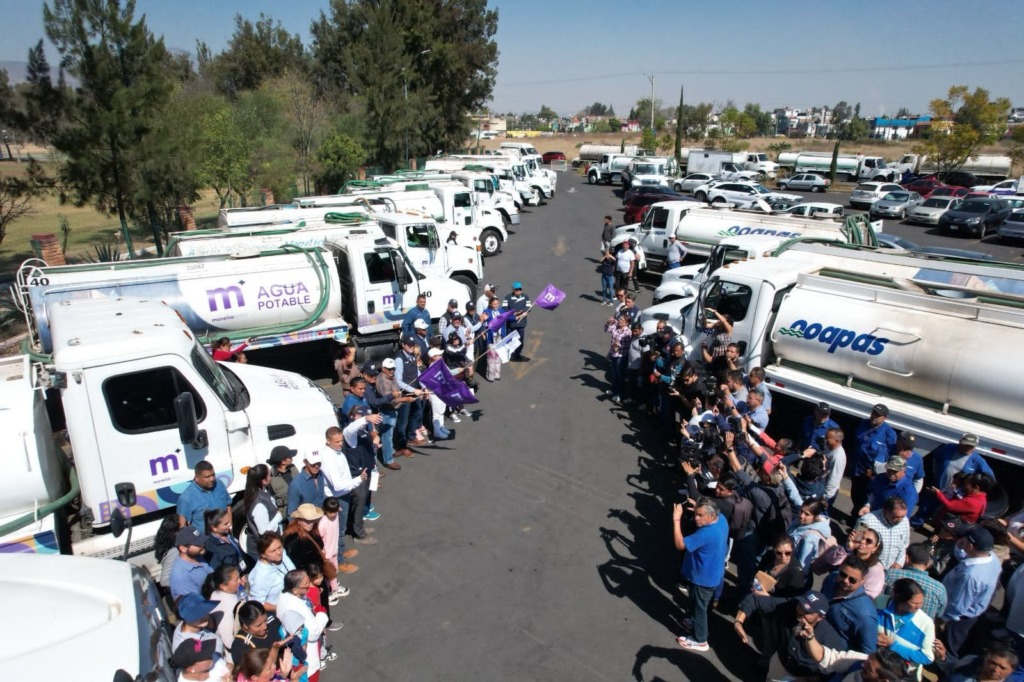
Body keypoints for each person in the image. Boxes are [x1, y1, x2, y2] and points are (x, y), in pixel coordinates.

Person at [734, 590, 845, 679]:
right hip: (779, 663)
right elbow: (755, 599)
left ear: (820, 617)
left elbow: (838, 666)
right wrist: (739, 622)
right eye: (801, 606)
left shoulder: (830, 638)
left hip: (801, 677)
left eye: (808, 612)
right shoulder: (789, 607)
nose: (801, 612)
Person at [671, 497, 729, 652]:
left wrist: (677, 519)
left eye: (700, 515)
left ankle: (700, 640)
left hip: (702, 578)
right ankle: (695, 624)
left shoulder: (705, 534)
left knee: (699, 609)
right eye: (696, 514)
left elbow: (680, 544)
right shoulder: (721, 520)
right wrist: (698, 506)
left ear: (711, 515)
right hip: (714, 573)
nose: (696, 518)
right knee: (703, 606)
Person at [942, 526, 1002, 656]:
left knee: (949, 649)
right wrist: (959, 548)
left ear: (969, 545)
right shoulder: (992, 557)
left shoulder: (971, 575)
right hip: (974, 613)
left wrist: (943, 620)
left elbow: (958, 605)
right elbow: (967, 557)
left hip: (958, 619)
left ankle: (946, 671)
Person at [876, 577, 935, 676]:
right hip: (873, 667)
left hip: (900, 675)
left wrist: (893, 646)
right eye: (914, 603)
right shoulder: (879, 603)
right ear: (900, 598)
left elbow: (927, 657)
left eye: (921, 603)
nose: (918, 607)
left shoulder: (926, 624)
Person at [277, 570, 329, 679]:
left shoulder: (284, 596)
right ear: (295, 590)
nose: (309, 585)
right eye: (306, 584)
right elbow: (313, 633)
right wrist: (321, 613)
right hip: (307, 655)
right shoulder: (296, 606)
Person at [821, 556, 879, 653]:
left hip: (834, 657)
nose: (845, 580)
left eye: (852, 580)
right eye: (843, 574)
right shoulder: (831, 580)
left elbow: (868, 650)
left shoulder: (865, 614)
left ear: (862, 581)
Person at [883, 543, 948, 621]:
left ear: (906, 559)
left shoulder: (891, 575)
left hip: (886, 623)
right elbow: (939, 614)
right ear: (928, 564)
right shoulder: (940, 589)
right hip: (919, 631)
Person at [857, 496, 911, 571]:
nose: (900, 520)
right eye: (896, 517)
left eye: (902, 516)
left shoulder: (905, 521)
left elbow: (904, 545)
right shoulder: (866, 521)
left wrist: (899, 563)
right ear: (885, 512)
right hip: (868, 567)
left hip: (891, 570)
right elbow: (855, 543)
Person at [248, 532, 296, 614]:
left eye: (279, 547)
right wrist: (281, 608)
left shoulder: (281, 553)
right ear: (263, 555)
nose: (278, 552)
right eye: (273, 551)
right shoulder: (260, 576)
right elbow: (259, 602)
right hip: (279, 612)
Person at [243, 464, 283, 560]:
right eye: (269, 475)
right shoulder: (259, 505)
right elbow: (264, 531)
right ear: (263, 481)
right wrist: (278, 517)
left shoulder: (259, 491)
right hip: (262, 551)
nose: (271, 476)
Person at [177, 461, 232, 528]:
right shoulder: (186, 498)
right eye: (207, 477)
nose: (212, 479)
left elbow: (228, 505)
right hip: (205, 538)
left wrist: (230, 526)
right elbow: (182, 526)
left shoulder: (219, 484)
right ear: (197, 478)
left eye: (213, 475)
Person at [935, 640, 1020, 682]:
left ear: (1011, 671)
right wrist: (942, 657)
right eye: (993, 663)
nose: (995, 669)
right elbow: (949, 669)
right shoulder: (970, 664)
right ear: (986, 658)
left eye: (1002, 668)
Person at [201, 564, 243, 649]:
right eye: (236, 580)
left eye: (239, 577)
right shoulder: (228, 606)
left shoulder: (217, 593)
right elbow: (228, 639)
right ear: (223, 586)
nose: (240, 581)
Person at [169, 525, 213, 601]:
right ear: (183, 548)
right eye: (198, 544)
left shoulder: (198, 556)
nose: (202, 545)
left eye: (202, 541)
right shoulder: (181, 577)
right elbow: (194, 605)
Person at [204, 507, 249, 573]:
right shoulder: (211, 546)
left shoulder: (227, 535)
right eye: (226, 524)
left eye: (229, 522)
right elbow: (218, 571)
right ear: (214, 528)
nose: (230, 525)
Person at [286, 450, 328, 518]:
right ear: (305, 462)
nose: (317, 466)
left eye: (319, 463)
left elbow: (321, 496)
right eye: (313, 463)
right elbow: (291, 513)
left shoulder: (320, 474)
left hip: (322, 518)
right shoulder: (296, 484)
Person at [603, 314, 631, 403]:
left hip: (620, 356)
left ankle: (619, 394)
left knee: (620, 375)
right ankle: (613, 389)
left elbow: (627, 345)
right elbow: (606, 329)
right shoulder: (616, 327)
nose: (620, 321)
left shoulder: (628, 332)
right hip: (613, 354)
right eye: (620, 319)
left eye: (622, 320)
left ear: (626, 323)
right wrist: (609, 323)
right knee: (614, 374)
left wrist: (617, 346)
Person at [235, 646, 303, 682]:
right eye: (269, 668)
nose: (274, 666)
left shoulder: (245, 675)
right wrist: (294, 680)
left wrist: (283, 674)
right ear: (255, 677)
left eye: (272, 663)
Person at [267, 446, 299, 521]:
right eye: (290, 457)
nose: (292, 458)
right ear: (283, 461)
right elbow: (271, 498)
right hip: (285, 514)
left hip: (299, 509)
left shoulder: (293, 468)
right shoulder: (271, 478)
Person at [503, 280, 532, 362]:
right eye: (517, 289)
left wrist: (522, 312)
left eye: (520, 289)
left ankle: (517, 354)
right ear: (513, 290)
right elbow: (504, 309)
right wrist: (513, 313)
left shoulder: (525, 297)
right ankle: (508, 354)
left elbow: (528, 308)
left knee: (520, 341)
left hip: (521, 323)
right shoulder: (507, 297)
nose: (518, 291)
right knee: (509, 340)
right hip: (510, 323)